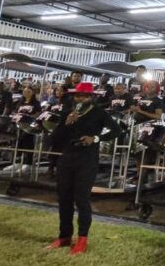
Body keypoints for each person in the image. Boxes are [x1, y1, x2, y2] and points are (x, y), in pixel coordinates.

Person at [44, 82, 123, 255]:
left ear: (91, 97)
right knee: (64, 198)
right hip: (66, 157)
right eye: (77, 96)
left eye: (83, 96)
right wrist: (66, 123)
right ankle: (64, 236)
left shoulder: (98, 113)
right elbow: (56, 137)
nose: (79, 98)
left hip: (87, 159)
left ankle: (82, 239)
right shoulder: (68, 113)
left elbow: (117, 130)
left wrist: (95, 138)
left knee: (81, 199)